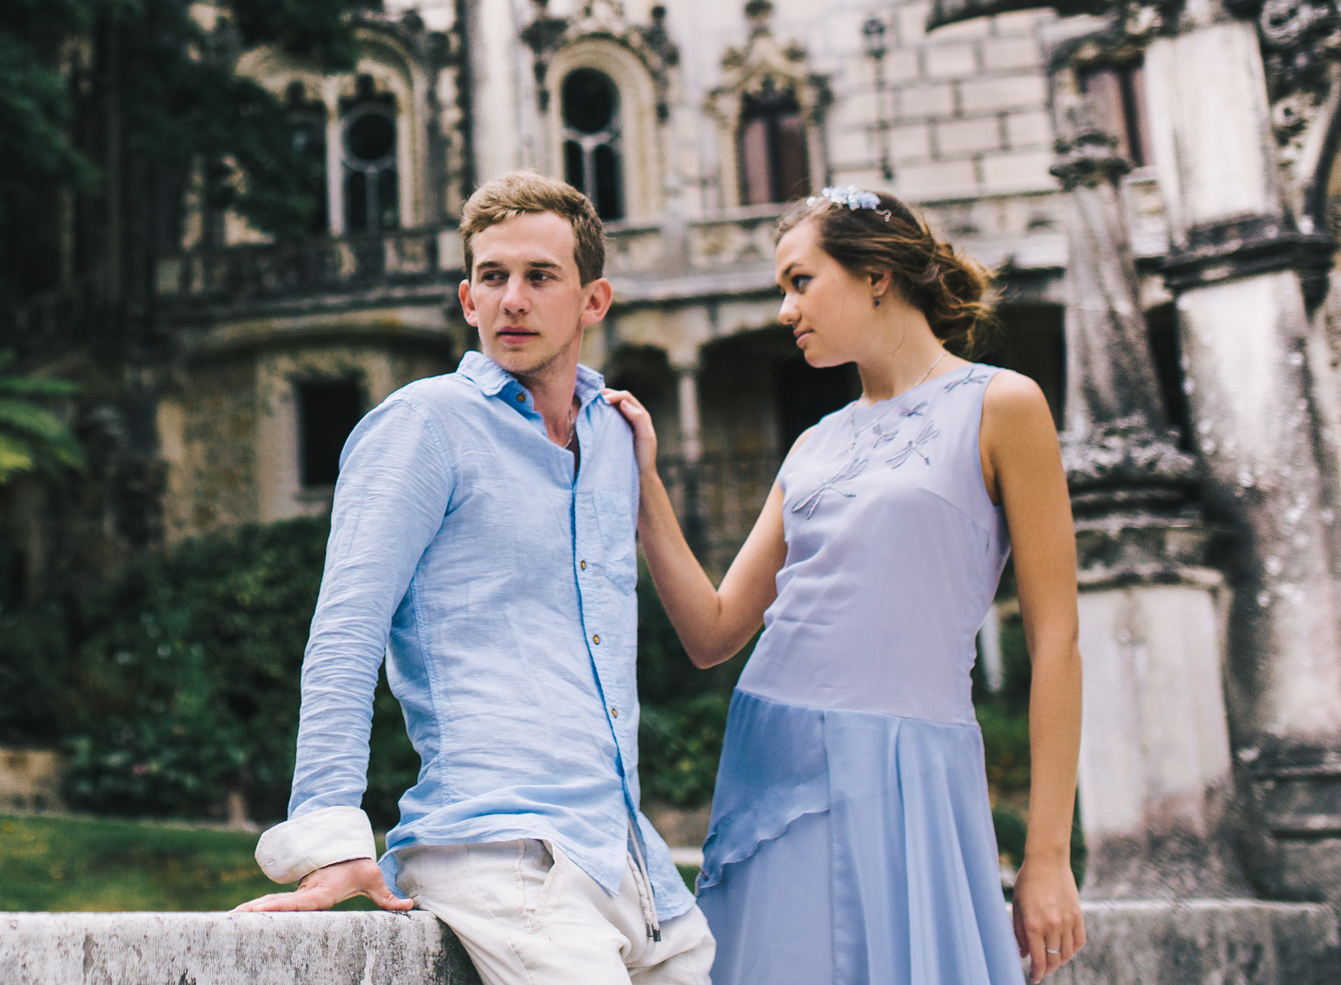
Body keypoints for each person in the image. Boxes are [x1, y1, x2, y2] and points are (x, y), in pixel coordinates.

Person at [237, 172, 714, 985]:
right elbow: (347, 627)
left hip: (627, 861)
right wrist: (333, 834)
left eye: (539, 276)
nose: (512, 299)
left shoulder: (613, 436)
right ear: (466, 298)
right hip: (500, 858)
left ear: (594, 301)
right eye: (492, 277)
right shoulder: (423, 425)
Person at [614, 184, 1084, 985]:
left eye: (800, 281)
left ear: (875, 274)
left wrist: (1047, 857)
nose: (786, 309)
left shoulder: (1002, 405)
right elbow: (714, 631)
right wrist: (645, 484)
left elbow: (1057, 641)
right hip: (771, 760)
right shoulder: (814, 445)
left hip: (911, 767)